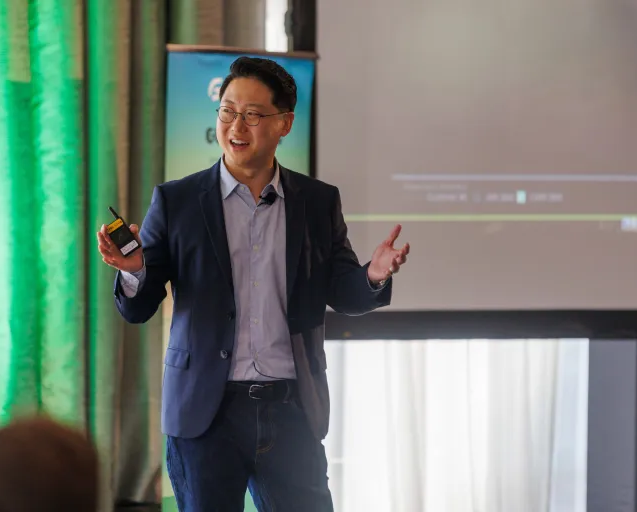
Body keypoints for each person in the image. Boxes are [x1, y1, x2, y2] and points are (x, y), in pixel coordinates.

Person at [97, 56, 410, 512]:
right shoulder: (177, 200)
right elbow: (138, 307)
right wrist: (133, 270)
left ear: (285, 123)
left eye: (252, 114)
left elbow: (343, 291)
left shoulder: (317, 202)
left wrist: (373, 275)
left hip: (291, 409)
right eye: (227, 111)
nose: (236, 126)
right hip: (206, 413)